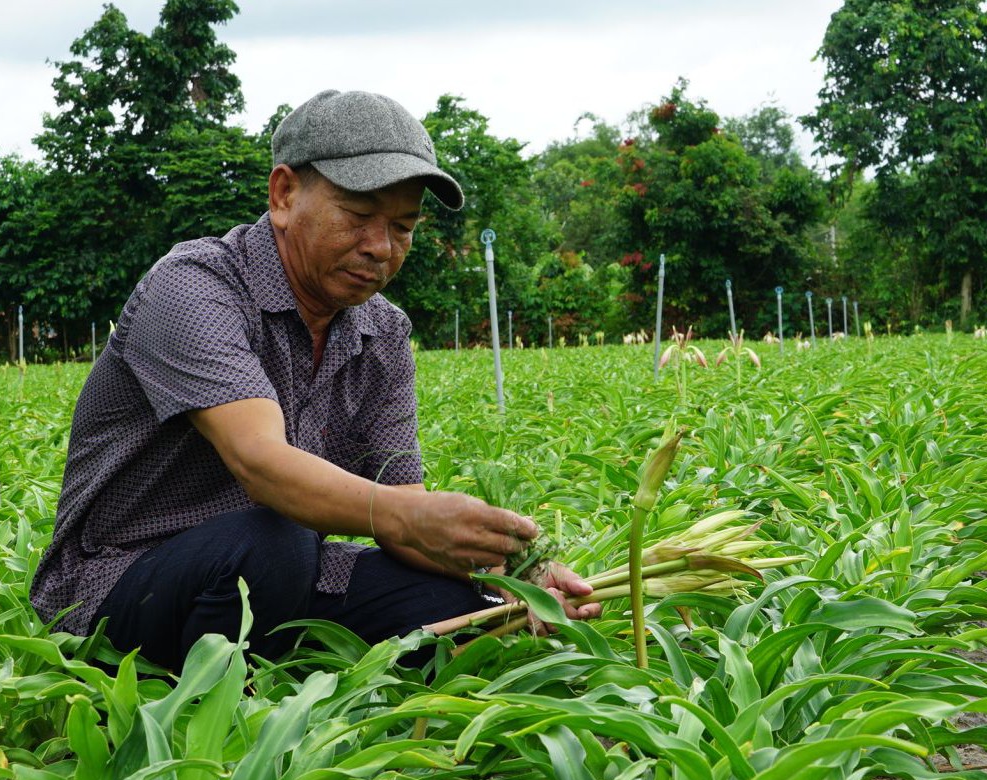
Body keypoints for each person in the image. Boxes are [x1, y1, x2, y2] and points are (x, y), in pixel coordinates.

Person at [29, 89, 597, 671]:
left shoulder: (382, 333)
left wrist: (516, 572)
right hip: (122, 580)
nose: (381, 248)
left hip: (287, 571)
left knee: (453, 607)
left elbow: (401, 508)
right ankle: (216, 717)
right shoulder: (193, 288)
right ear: (283, 194)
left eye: (402, 226)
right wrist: (407, 516)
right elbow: (261, 464)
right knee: (275, 540)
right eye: (358, 216)